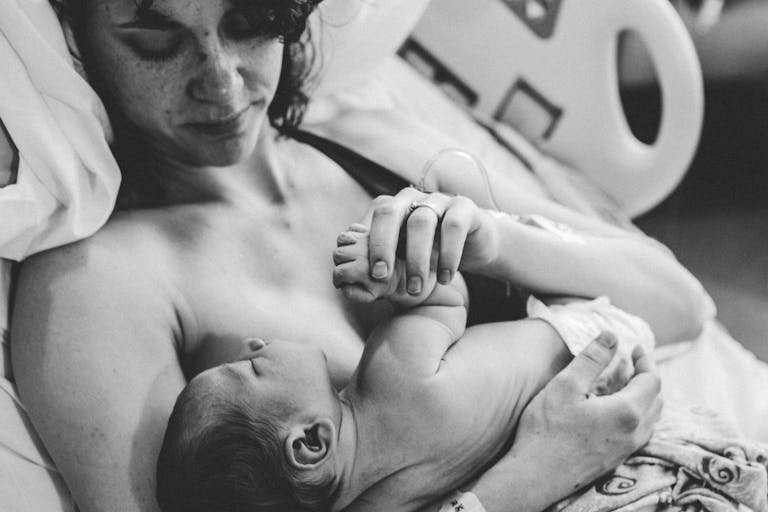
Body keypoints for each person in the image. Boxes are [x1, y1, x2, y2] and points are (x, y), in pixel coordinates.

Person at [9, 1, 710, 511]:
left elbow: (680, 305)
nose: (221, 81)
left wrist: (499, 241)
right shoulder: (95, 284)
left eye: (250, 20)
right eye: (156, 41)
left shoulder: (377, 146)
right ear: (76, 39)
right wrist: (525, 480)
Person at [156, 221, 662, 512]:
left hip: (589, 412)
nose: (252, 342)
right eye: (250, 369)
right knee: (537, 240)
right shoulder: (388, 376)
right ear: (310, 443)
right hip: (592, 335)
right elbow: (446, 302)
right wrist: (394, 277)